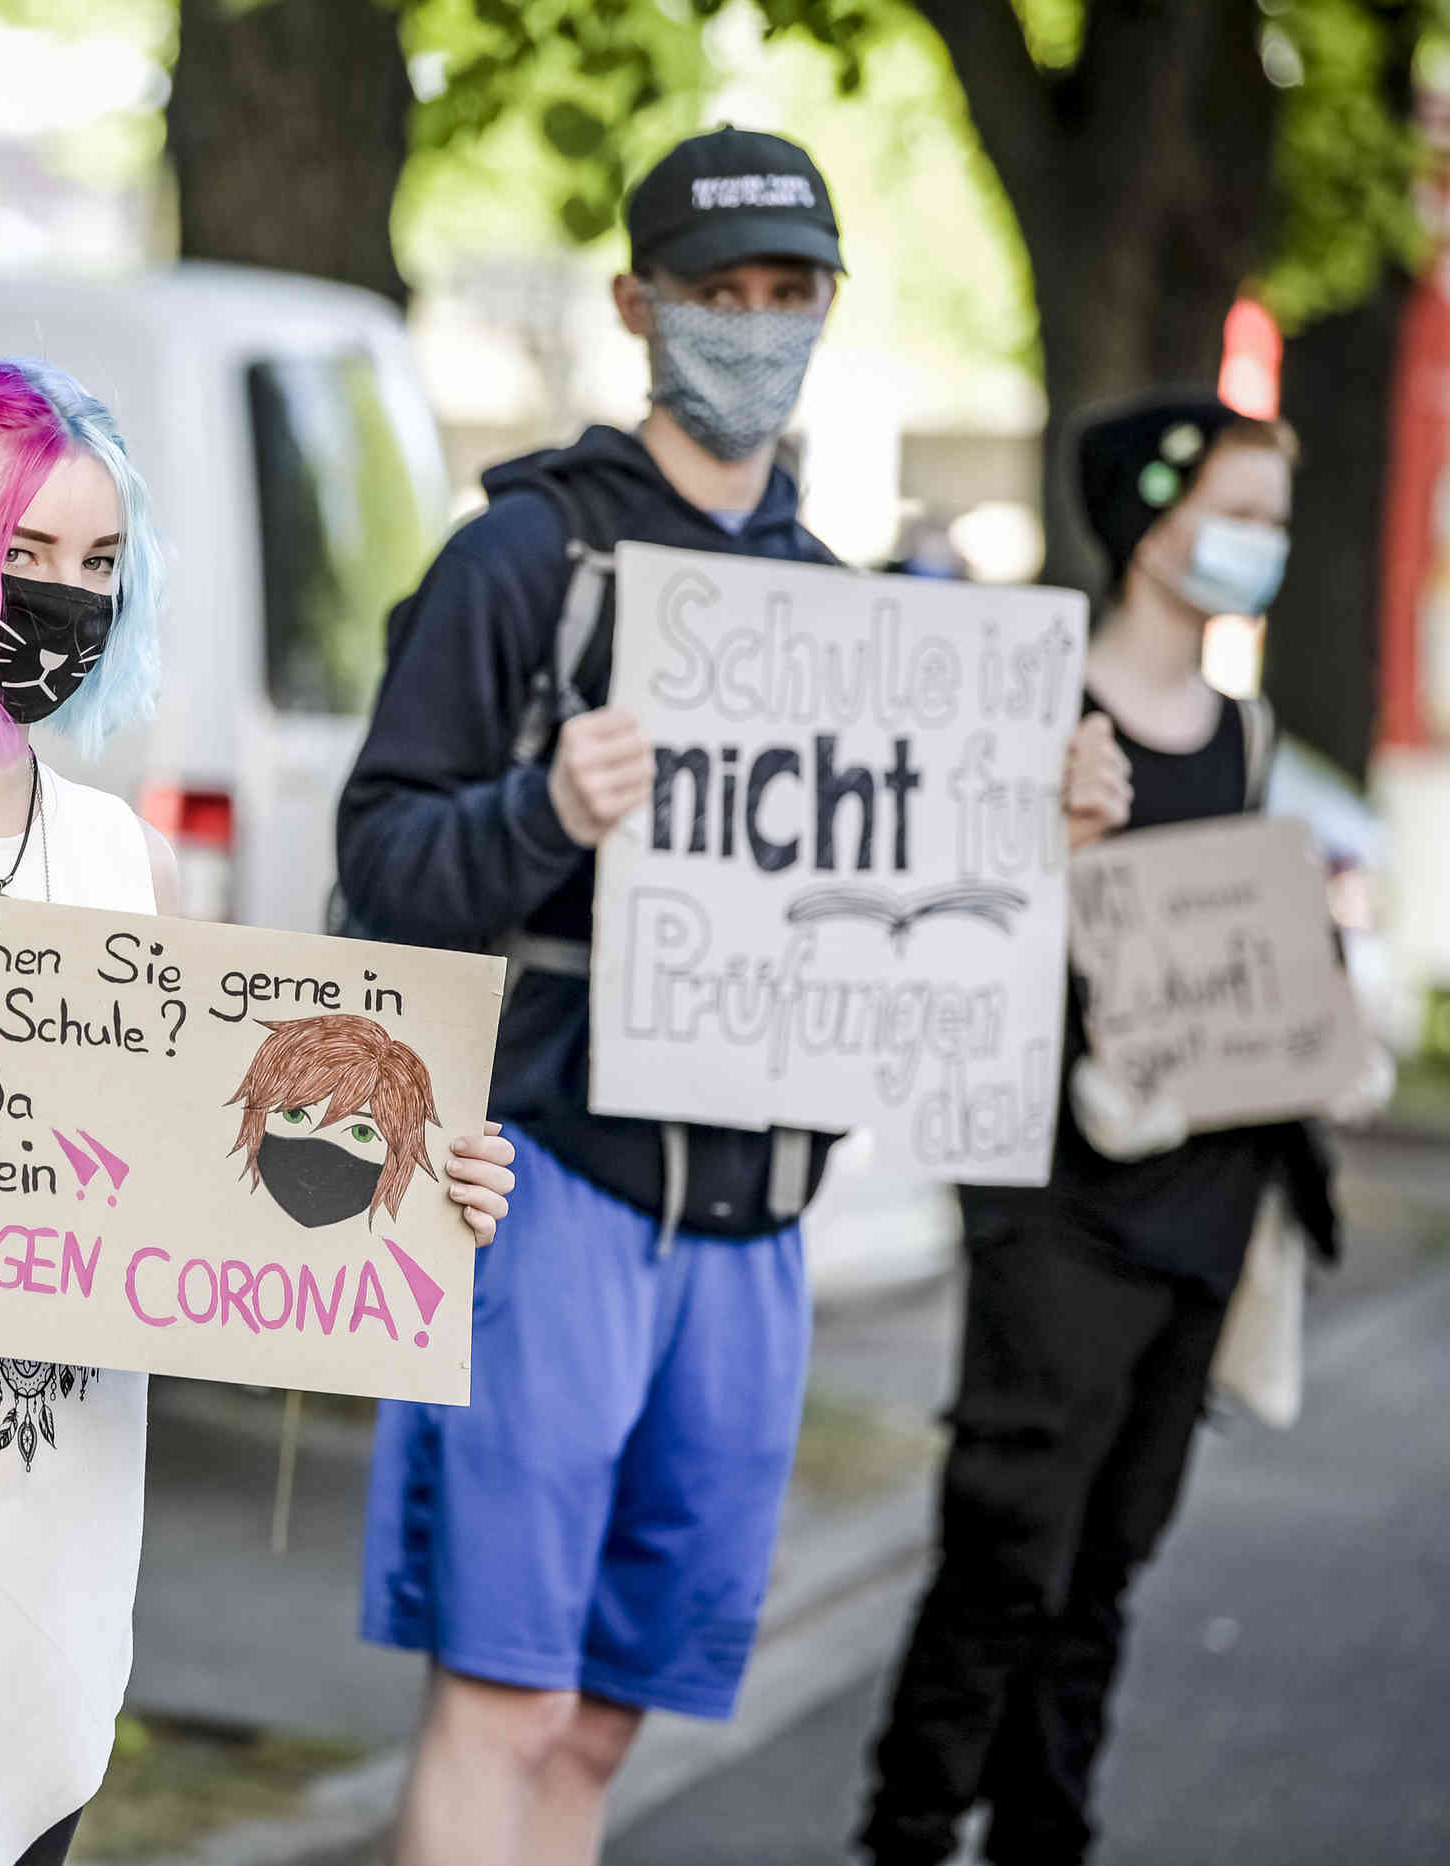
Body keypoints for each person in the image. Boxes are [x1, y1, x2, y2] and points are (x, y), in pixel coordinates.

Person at [0, 355, 516, 1866]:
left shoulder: (128, 862)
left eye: (100, 563)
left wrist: (422, 1187)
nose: (64, 598)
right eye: (19, 557)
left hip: (51, 1557)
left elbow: (209, 1195)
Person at [338, 126, 859, 1865]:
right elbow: (380, 870)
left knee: (613, 1714)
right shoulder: (522, 561)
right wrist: (545, 808)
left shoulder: (857, 622)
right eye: (721, 292)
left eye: (792, 293)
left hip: (747, 1216)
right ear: (640, 303)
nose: (756, 326)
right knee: (504, 1697)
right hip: (549, 1178)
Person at [854, 392, 1372, 1866]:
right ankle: (904, 1832)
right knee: (1004, 1555)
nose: (1264, 545)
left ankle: (1044, 1834)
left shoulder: (1251, 732)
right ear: (1153, 515)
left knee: (1107, 1574)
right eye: (1242, 511)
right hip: (1054, 1209)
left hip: (1205, 1212)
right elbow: (935, 941)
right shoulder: (1032, 707)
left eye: (1276, 518)